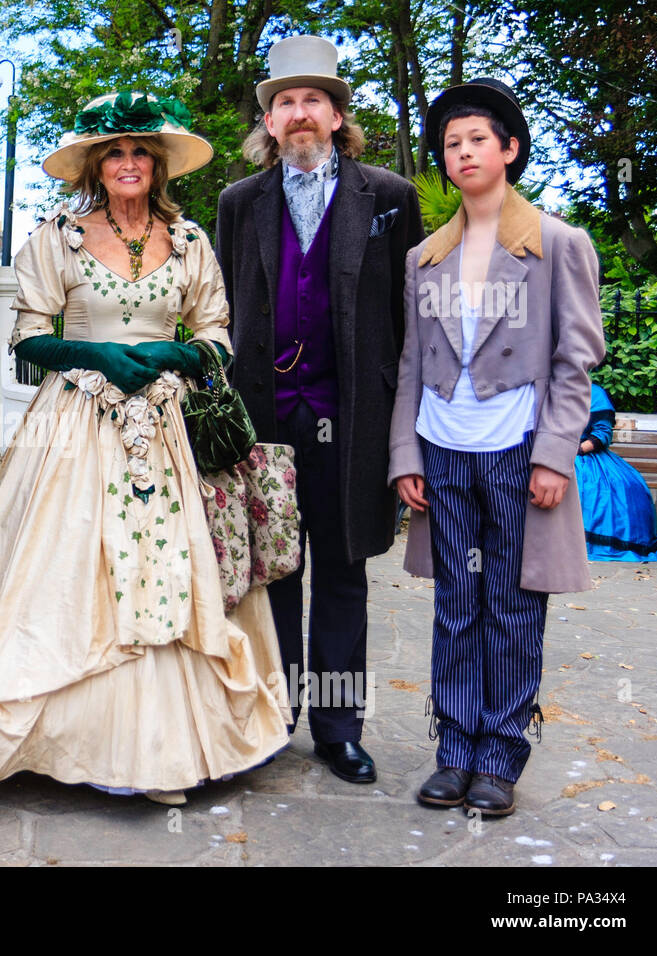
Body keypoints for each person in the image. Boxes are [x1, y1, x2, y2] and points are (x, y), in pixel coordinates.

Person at [0, 92, 292, 805]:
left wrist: (172, 355)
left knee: (166, 564)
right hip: (75, 424)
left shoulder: (189, 244)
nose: (128, 163)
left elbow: (216, 331)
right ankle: (56, 741)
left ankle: (162, 756)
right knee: (64, 568)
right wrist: (89, 352)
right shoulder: (57, 233)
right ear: (97, 165)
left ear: (157, 167)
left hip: (164, 424)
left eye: (140, 154)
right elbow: (26, 335)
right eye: (115, 153)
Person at [388, 78, 606, 816]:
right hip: (444, 449)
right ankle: (454, 749)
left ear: (509, 149)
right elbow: (413, 366)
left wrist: (554, 452)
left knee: (512, 604)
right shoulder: (425, 257)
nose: (464, 152)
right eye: (452, 143)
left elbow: (576, 359)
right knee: (457, 602)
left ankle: (501, 755)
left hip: (518, 451)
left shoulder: (557, 244)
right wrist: (405, 457)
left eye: (478, 139)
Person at [216, 36, 424, 784]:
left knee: (342, 572)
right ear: (269, 123)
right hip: (267, 422)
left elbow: (409, 322)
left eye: (312, 101)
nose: (298, 115)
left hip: (353, 416)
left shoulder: (390, 198)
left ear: (337, 115)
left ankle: (339, 729)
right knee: (274, 573)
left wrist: (406, 431)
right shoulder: (239, 204)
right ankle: (272, 720)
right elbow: (225, 313)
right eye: (284, 104)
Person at [575, 383, 657, 561]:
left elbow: (602, 433)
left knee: (610, 487)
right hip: (552, 452)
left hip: (585, 454)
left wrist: (574, 450)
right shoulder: (549, 388)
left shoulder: (595, 393)